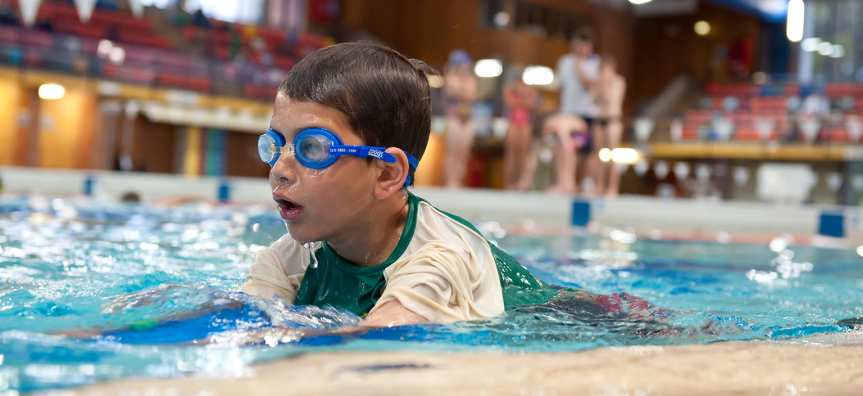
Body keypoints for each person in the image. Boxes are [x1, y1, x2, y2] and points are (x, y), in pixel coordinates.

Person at [241, 42, 558, 328]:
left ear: (386, 175)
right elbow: (243, 331)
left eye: (312, 148)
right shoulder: (287, 259)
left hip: (571, 320)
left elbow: (372, 348)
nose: (279, 169)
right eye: (276, 144)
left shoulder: (441, 258)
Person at [544, 27, 600, 194]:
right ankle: (563, 181)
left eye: (585, 46)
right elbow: (560, 89)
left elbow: (589, 87)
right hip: (567, 112)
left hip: (587, 114)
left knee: (588, 152)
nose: (581, 49)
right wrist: (557, 111)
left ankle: (586, 184)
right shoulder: (564, 62)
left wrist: (579, 67)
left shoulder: (595, 63)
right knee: (563, 147)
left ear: (590, 46)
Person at [441, 49, 478, 189]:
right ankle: (450, 181)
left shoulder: (471, 79)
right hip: (454, 118)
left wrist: (462, 90)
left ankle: (458, 179)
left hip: (467, 119)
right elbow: (453, 91)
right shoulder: (450, 77)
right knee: (452, 151)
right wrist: (463, 90)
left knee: (463, 151)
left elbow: (471, 95)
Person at [594, 55, 626, 196]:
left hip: (613, 120)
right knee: (599, 156)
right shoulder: (598, 82)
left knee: (613, 155)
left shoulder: (619, 81)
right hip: (600, 120)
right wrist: (599, 84)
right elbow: (594, 101)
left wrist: (604, 83)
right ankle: (599, 184)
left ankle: (612, 187)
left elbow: (608, 98)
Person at [502, 65, 538, 190]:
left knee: (523, 153)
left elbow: (531, 102)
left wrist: (522, 94)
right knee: (511, 153)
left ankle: (523, 182)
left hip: (525, 122)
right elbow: (509, 100)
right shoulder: (509, 87)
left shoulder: (529, 87)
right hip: (513, 121)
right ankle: (508, 184)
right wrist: (522, 97)